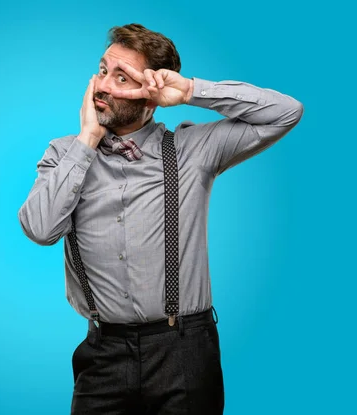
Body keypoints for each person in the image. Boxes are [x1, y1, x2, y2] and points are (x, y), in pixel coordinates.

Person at [17, 23, 303, 415]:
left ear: (150, 94)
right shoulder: (64, 154)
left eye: (122, 78)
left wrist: (188, 91)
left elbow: (286, 113)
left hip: (183, 350)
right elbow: (39, 229)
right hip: (103, 355)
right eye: (103, 71)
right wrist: (86, 141)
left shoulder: (193, 149)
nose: (103, 86)